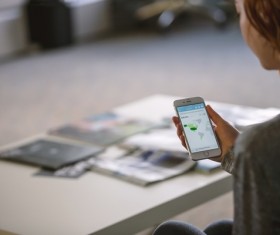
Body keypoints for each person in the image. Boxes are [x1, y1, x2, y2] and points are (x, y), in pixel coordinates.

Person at [153, 0, 280, 234]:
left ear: (266, 19)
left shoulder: (262, 144)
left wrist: (250, 151)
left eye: (240, 14)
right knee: (219, 229)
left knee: (171, 232)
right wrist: (233, 153)